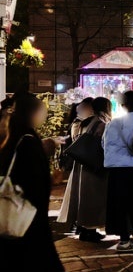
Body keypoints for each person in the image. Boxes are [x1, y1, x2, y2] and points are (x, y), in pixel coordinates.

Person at [0, 93, 81, 272]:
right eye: (42, 111)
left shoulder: (16, 132)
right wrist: (50, 177)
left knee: (33, 245)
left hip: (25, 203)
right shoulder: (26, 138)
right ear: (32, 112)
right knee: (18, 251)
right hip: (25, 205)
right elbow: (30, 173)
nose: (44, 115)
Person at [103, 91, 133, 252]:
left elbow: (104, 144)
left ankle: (123, 238)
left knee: (119, 204)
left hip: (115, 169)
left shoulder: (113, 122)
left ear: (124, 105)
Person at [63, 97, 112, 243]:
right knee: (93, 198)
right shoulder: (101, 123)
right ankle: (90, 230)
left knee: (83, 197)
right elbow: (104, 145)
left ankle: (84, 229)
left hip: (82, 164)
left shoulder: (85, 122)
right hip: (94, 165)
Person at [58, 97, 95, 232]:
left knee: (77, 195)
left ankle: (79, 224)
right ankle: (80, 225)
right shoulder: (80, 123)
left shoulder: (81, 122)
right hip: (82, 163)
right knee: (80, 195)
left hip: (80, 163)